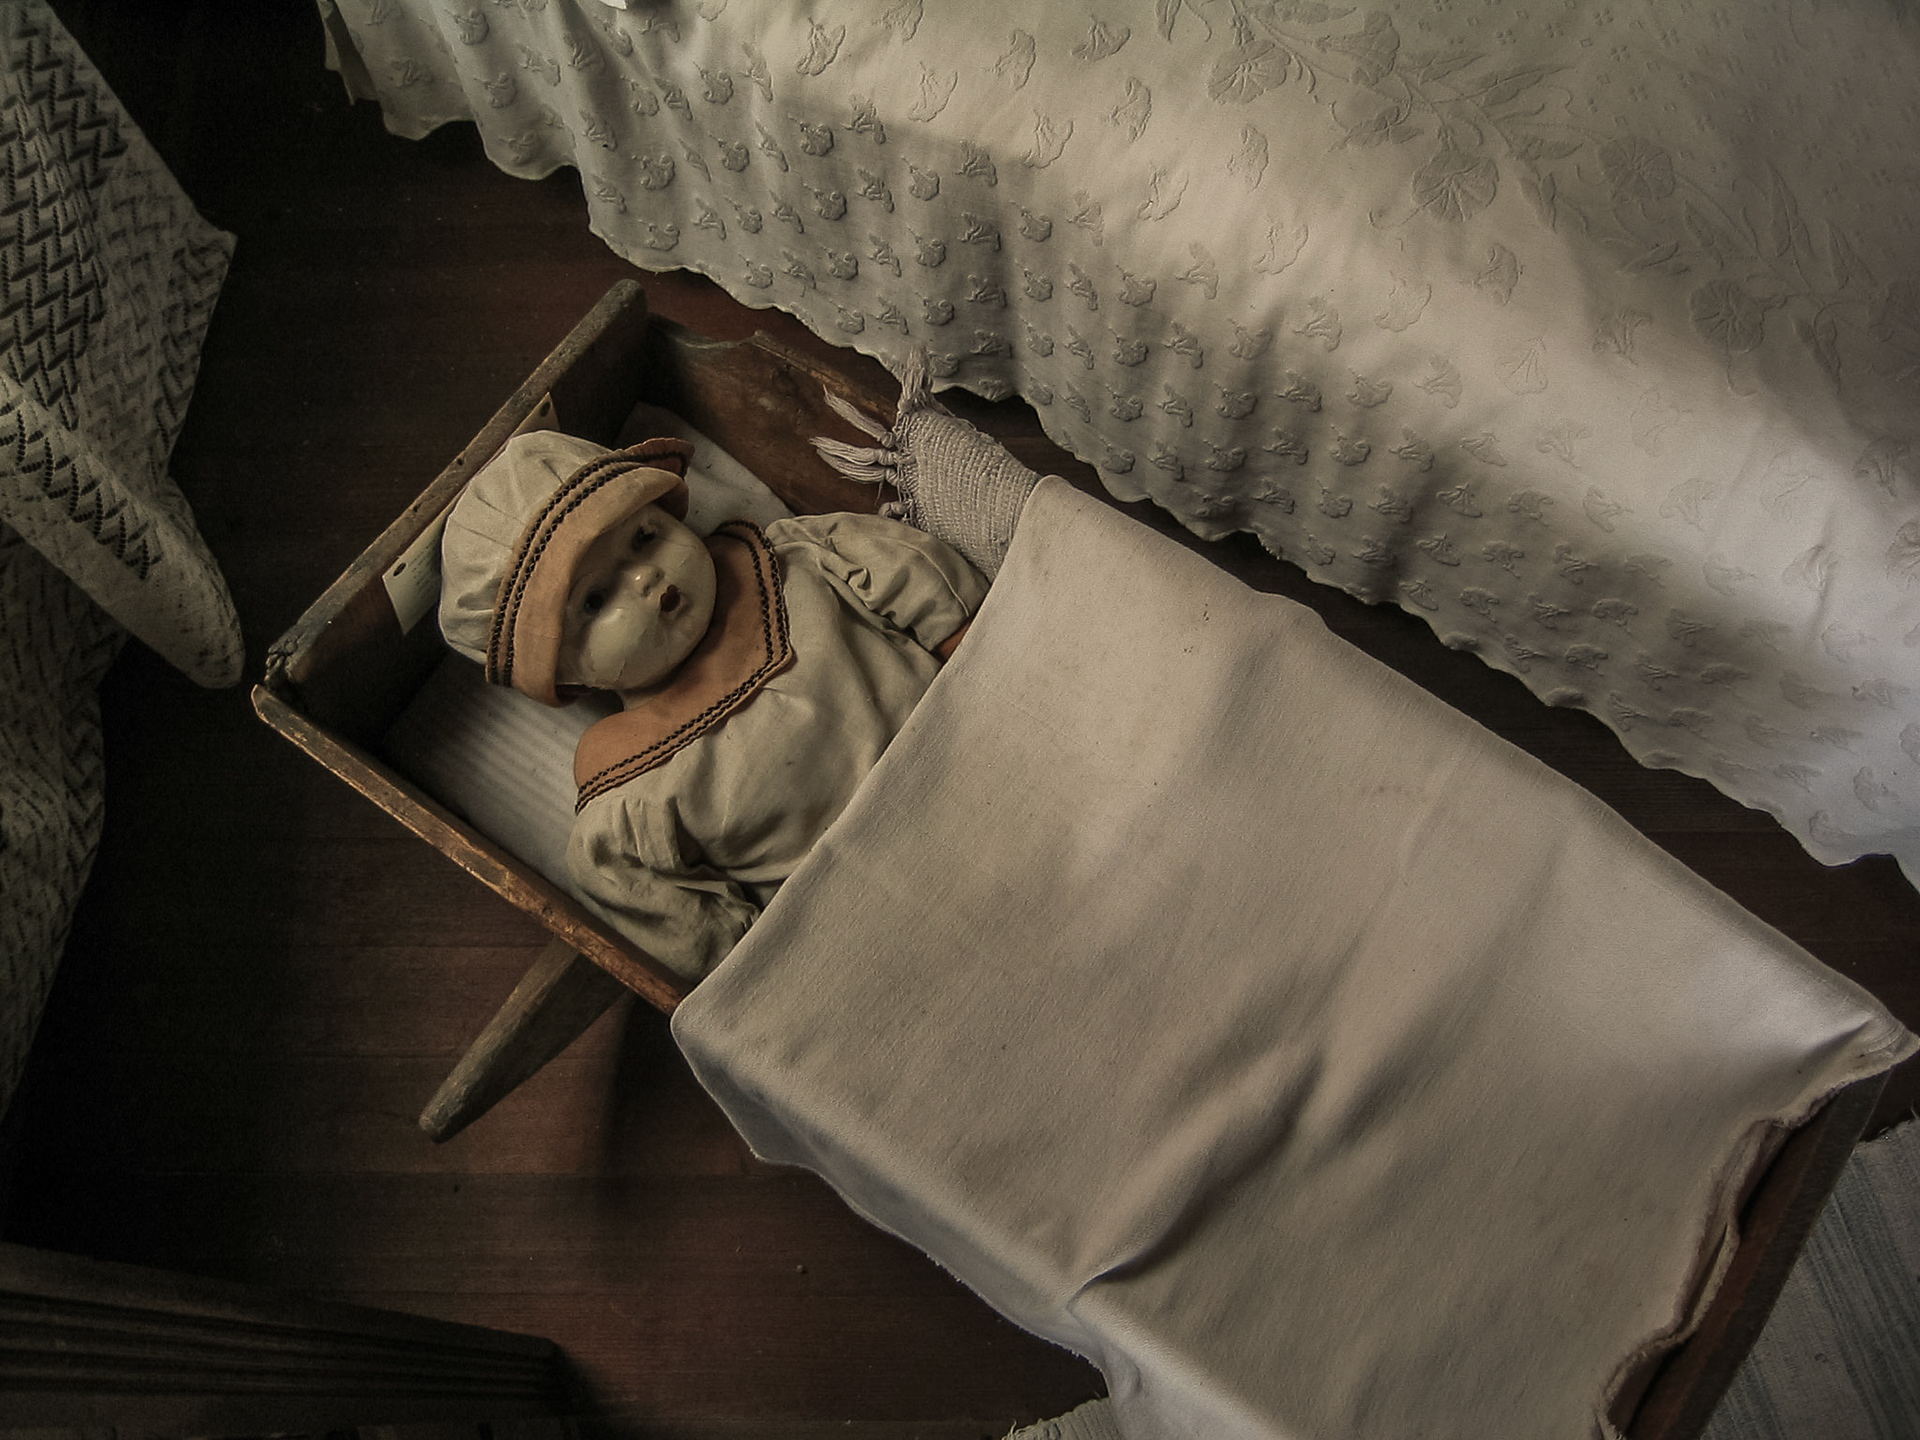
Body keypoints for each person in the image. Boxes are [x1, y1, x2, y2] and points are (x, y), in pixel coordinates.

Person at [437, 425, 991, 980]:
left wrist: (986, 666)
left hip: (980, 759)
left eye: (644, 537)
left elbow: (937, 596)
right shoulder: (631, 799)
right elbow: (721, 952)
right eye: (595, 599)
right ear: (565, 676)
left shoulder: (796, 562)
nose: (646, 576)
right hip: (881, 920)